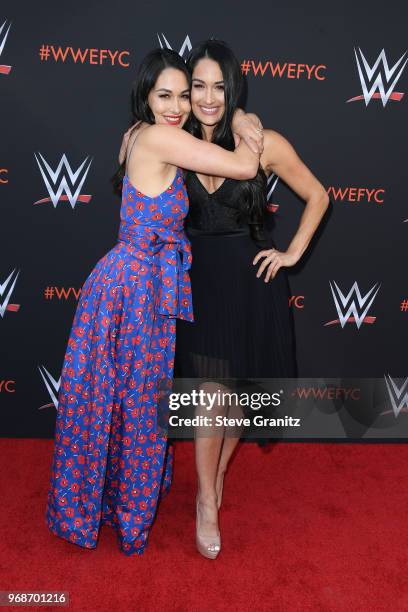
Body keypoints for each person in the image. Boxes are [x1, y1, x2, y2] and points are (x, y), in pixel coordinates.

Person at [45, 48, 262, 556]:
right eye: (165, 95)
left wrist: (232, 113)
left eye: (184, 95)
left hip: (134, 289)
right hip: (135, 293)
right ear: (144, 96)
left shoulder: (145, 135)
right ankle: (127, 516)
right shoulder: (163, 136)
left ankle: (107, 504)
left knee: (120, 406)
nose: (179, 105)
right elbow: (244, 165)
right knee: (138, 407)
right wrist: (243, 117)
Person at [173, 40, 330, 559]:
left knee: (238, 403)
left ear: (233, 87)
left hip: (253, 282)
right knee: (209, 394)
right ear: (187, 91)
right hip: (199, 286)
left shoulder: (263, 145)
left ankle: (214, 473)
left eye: (220, 86)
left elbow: (318, 195)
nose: (208, 97)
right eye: (199, 86)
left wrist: (290, 254)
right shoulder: (176, 141)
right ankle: (207, 499)